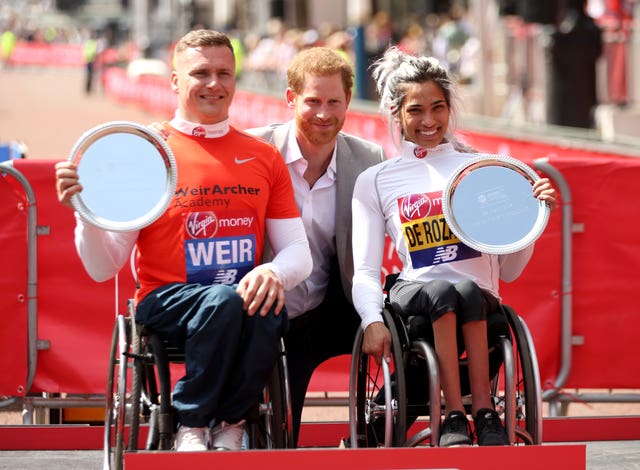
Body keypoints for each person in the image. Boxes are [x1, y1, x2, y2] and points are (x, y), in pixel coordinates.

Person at [55, 29, 312, 452]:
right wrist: (88, 217)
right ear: (174, 82)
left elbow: (298, 254)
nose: (214, 84)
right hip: (167, 299)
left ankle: (232, 424)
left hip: (241, 302)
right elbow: (103, 267)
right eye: (201, 73)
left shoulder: (264, 157)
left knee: (266, 307)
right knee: (226, 300)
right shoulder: (148, 154)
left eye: (224, 73)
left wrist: (273, 271)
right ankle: (191, 423)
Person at [351, 47, 556, 447]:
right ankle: (454, 416)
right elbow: (364, 268)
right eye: (415, 110)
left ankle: (483, 413)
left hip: (476, 299)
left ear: (449, 108)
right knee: (445, 289)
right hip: (415, 294)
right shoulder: (376, 180)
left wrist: (533, 218)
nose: (428, 121)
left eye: (437, 107)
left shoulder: (484, 169)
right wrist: (371, 318)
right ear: (396, 114)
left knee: (463, 289)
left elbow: (509, 271)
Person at [245, 46, 386, 447]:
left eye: (334, 102)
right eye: (312, 101)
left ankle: (370, 437)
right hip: (262, 311)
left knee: (408, 327)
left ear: (348, 102)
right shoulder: (253, 151)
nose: (324, 113)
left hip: (330, 308)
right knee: (278, 439)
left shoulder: (368, 158)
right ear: (291, 99)